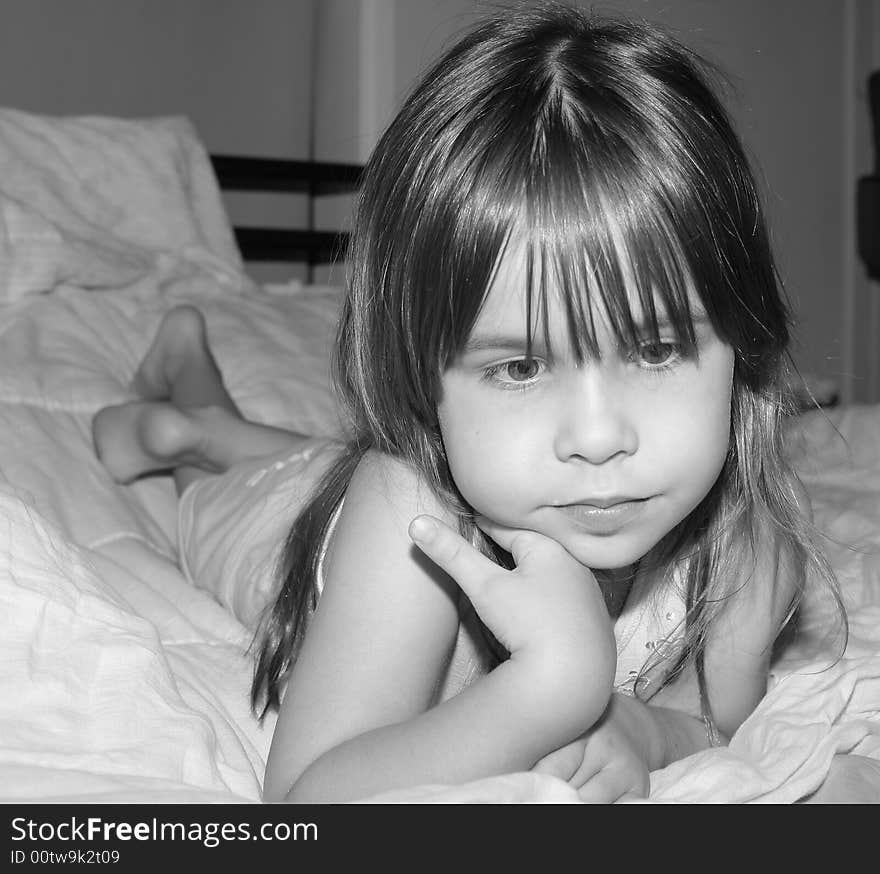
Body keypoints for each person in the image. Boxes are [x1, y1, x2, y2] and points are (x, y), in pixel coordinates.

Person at [93, 3, 844, 804]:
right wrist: (553, 687)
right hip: (288, 532)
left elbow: (719, 720)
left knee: (316, 461)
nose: (598, 437)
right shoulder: (410, 514)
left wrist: (646, 730)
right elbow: (306, 803)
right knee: (242, 489)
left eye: (656, 350)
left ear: (744, 340)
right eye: (520, 365)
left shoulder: (748, 532)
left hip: (394, 472)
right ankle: (179, 421)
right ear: (424, 387)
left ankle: (205, 412)